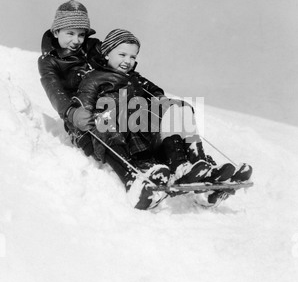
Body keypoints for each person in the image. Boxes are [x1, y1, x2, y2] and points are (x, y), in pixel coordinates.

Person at [75, 29, 253, 210]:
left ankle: (198, 164)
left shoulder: (135, 79)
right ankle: (181, 168)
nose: (128, 61)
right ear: (106, 53)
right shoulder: (94, 78)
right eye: (122, 54)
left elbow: (157, 92)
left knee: (180, 107)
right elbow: (85, 107)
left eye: (132, 57)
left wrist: (161, 100)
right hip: (126, 137)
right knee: (114, 115)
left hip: (145, 131)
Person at [38, 0, 101, 156]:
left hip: (107, 103)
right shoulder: (49, 61)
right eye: (70, 33)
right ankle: (130, 174)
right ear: (56, 32)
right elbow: (54, 90)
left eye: (81, 35)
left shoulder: (92, 48)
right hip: (79, 112)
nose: (76, 40)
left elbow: (113, 58)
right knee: (99, 143)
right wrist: (71, 112)